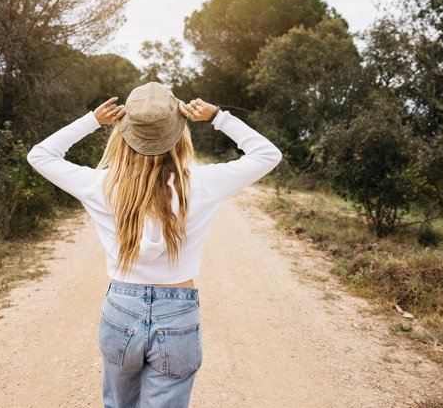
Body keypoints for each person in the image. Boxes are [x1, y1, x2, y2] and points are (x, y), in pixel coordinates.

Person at [26, 81, 282, 407]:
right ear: (178, 134)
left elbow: (40, 154)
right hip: (178, 311)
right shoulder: (201, 183)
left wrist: (93, 120)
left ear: (124, 134)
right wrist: (218, 116)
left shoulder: (101, 185)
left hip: (121, 309)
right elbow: (267, 154)